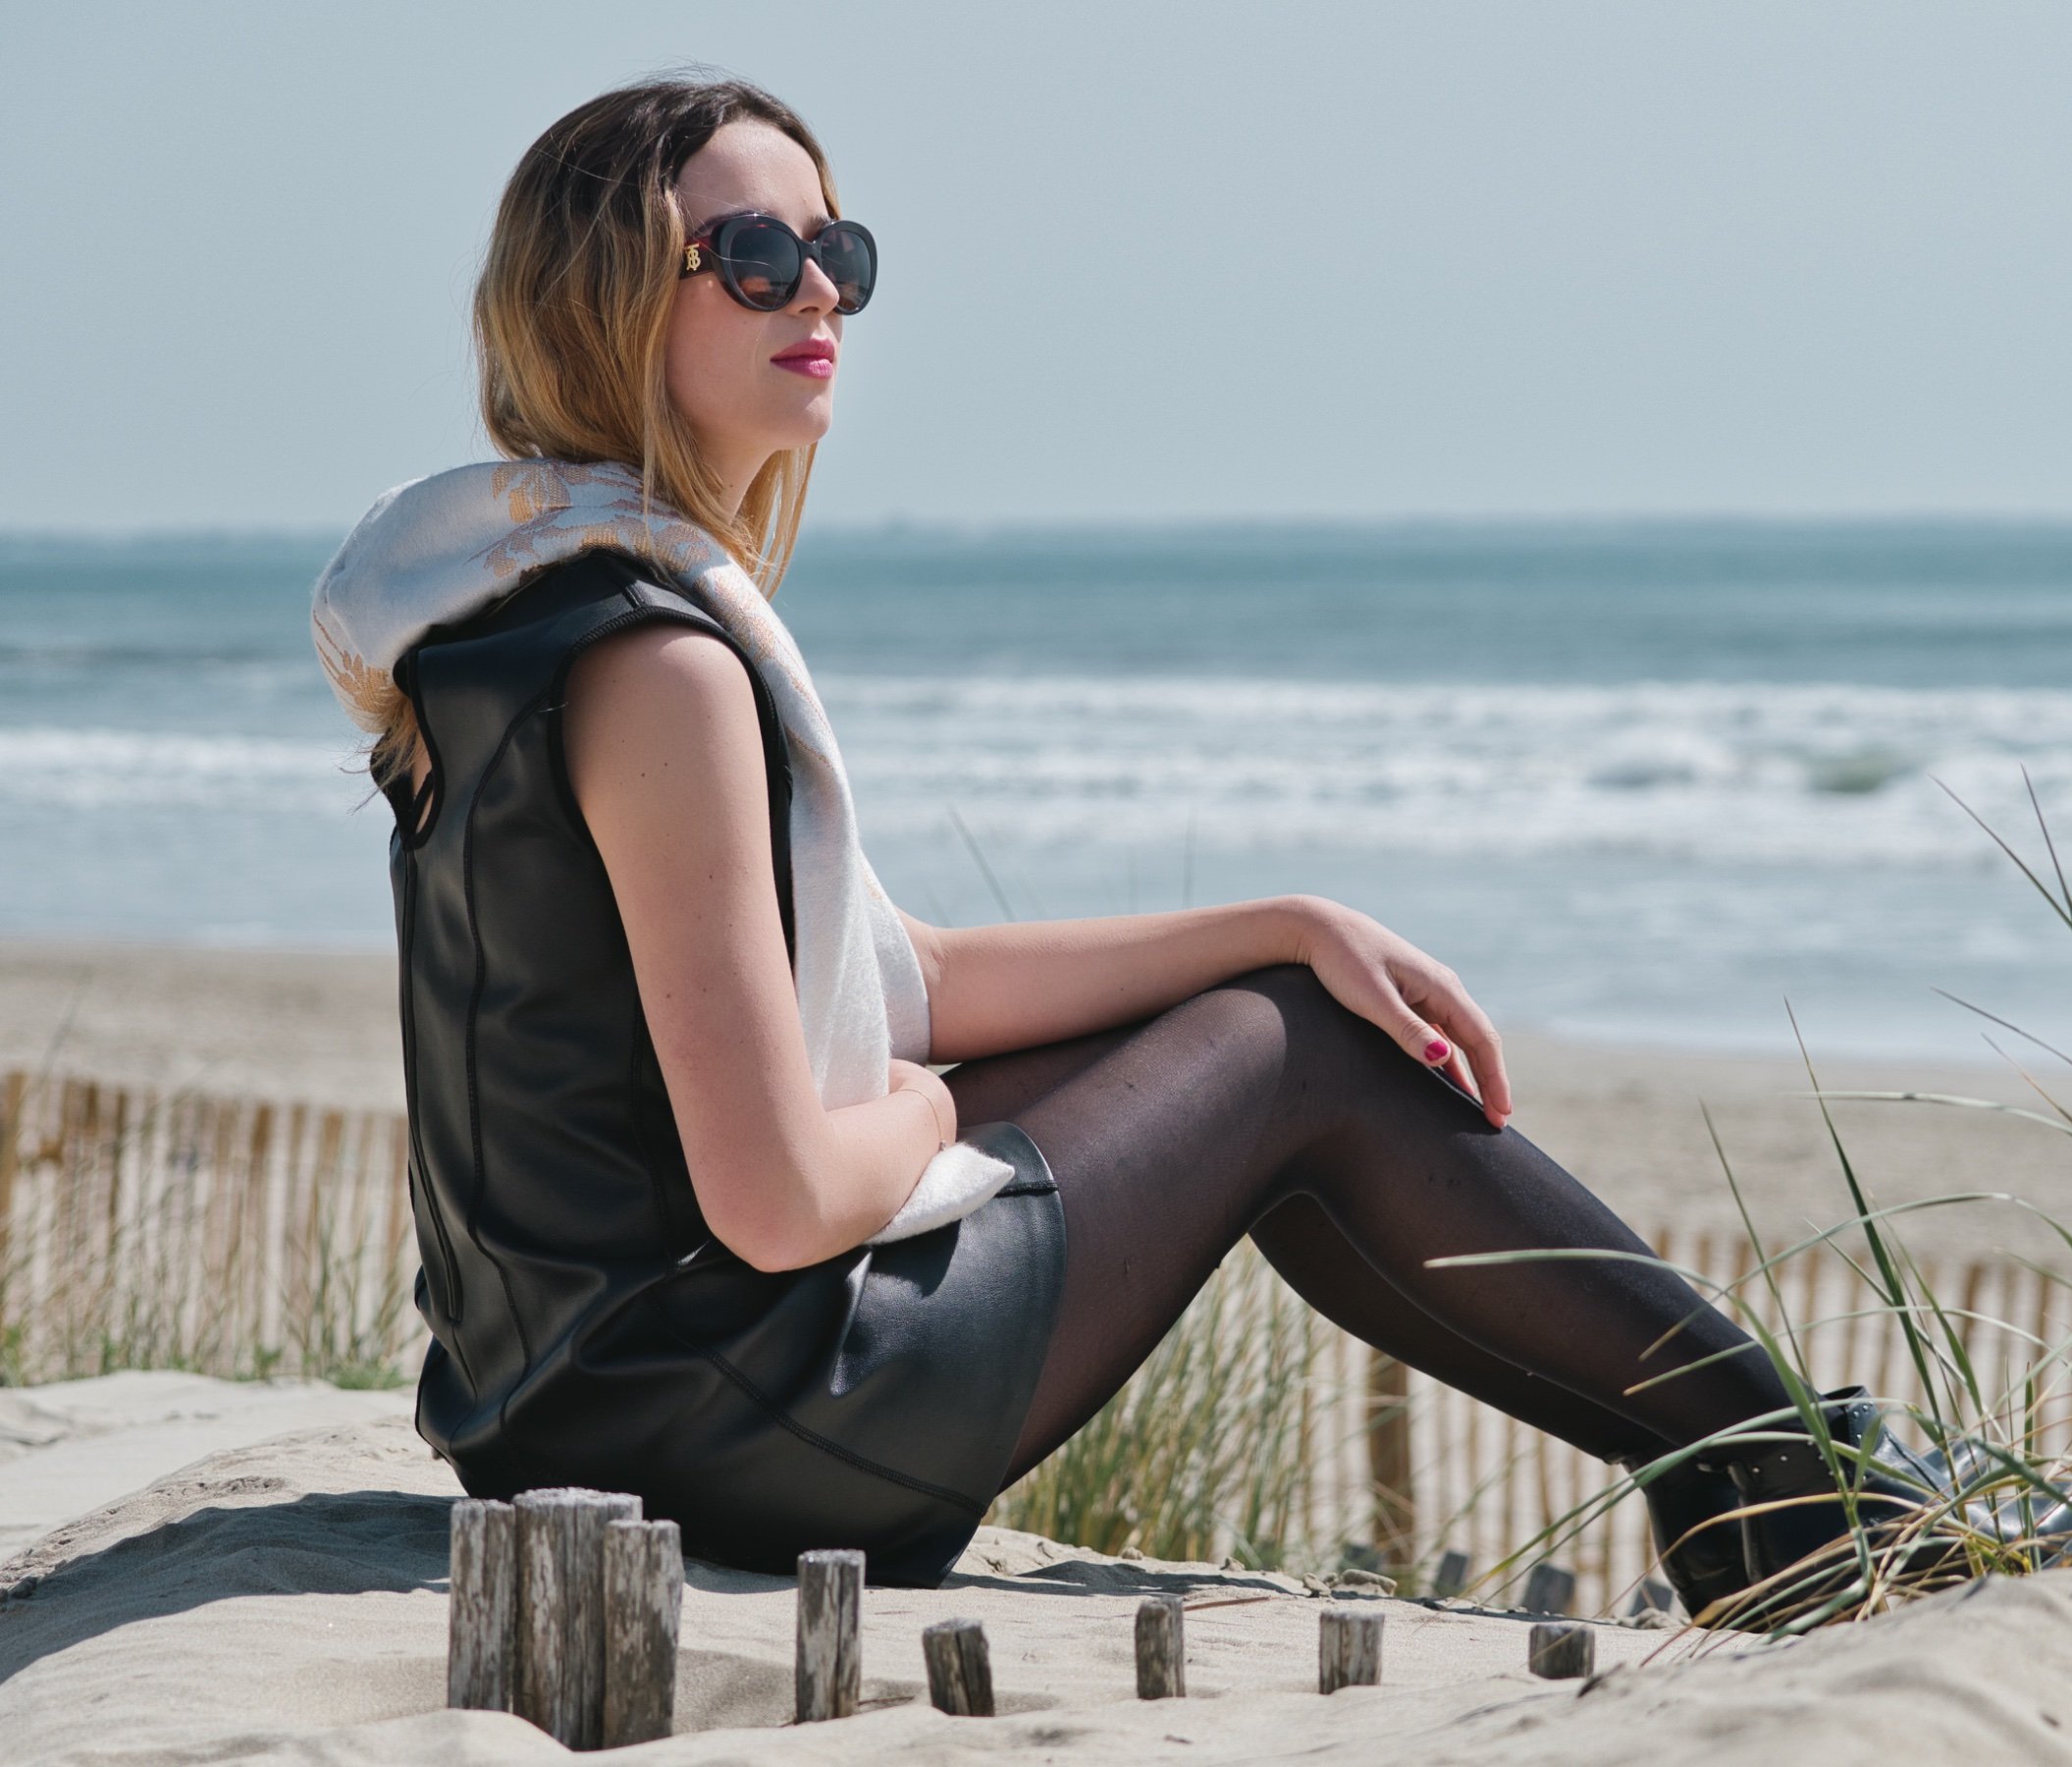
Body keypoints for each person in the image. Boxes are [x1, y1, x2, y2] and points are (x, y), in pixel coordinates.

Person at [310, 74, 1937, 1629]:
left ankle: (1770, 1476)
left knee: (1266, 1015)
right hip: (721, 1432)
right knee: (1301, 1063)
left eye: (838, 253)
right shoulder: (657, 668)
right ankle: (1797, 1485)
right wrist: (923, 1112)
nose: (817, 293)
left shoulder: (514, 618)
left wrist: (1282, 921)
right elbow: (783, 1196)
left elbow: (918, 979)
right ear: (600, 300)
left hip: (567, 1409)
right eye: (750, 256)